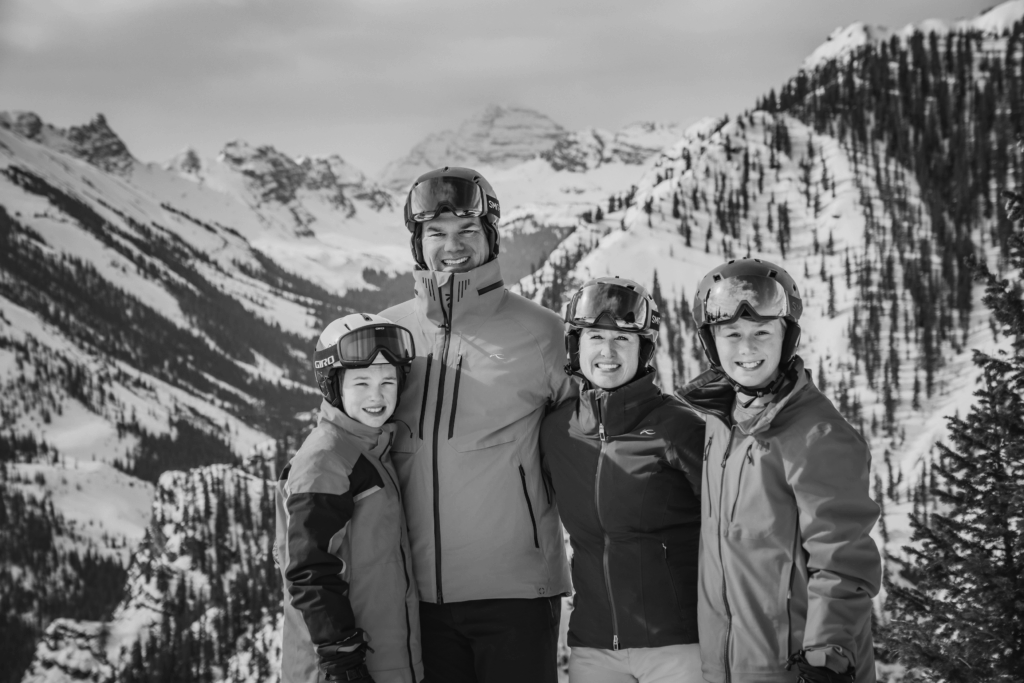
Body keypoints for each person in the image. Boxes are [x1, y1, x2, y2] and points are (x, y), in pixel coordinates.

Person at [379, 166, 573, 683]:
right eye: (436, 234)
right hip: (415, 595)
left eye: (468, 231)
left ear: (491, 237)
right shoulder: (390, 336)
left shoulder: (544, 334)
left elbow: (596, 444)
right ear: (418, 243)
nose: (453, 246)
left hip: (515, 594)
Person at [676, 258, 882, 683]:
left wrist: (828, 655)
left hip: (797, 669)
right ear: (712, 344)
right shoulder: (721, 421)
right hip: (729, 665)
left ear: (786, 337)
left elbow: (842, 558)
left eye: (762, 333)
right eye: (732, 334)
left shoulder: (818, 435)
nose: (746, 349)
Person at [540, 276, 705, 683]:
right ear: (576, 345)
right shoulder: (556, 431)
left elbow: (732, 527)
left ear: (643, 349)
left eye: (623, 339)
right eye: (595, 336)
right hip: (593, 648)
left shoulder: (678, 427)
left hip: (677, 646)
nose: (607, 352)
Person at [275, 313, 423, 683]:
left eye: (388, 381)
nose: (378, 396)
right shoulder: (326, 458)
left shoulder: (370, 449)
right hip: (340, 671)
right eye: (361, 383)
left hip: (387, 664)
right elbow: (309, 570)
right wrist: (340, 657)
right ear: (333, 386)